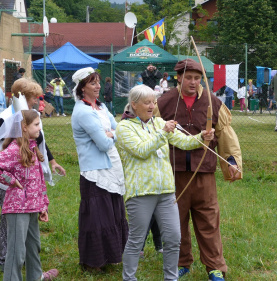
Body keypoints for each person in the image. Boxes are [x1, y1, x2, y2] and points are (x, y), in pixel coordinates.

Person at [153, 58, 243, 281]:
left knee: (208, 221)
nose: (193, 82)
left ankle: (214, 267)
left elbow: (226, 136)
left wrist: (232, 161)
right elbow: (152, 134)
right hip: (173, 173)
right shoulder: (164, 102)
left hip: (204, 174)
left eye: (197, 78)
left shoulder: (213, 102)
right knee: (176, 221)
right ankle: (181, 262)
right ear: (179, 77)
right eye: (188, 77)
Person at [115, 84, 215, 281]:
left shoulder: (159, 122)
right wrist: (162, 133)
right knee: (136, 239)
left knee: (173, 238)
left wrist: (202, 137)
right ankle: (129, 278)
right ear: (134, 105)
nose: (152, 106)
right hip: (140, 192)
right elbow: (141, 150)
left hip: (166, 191)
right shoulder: (124, 127)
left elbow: (184, 142)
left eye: (153, 102)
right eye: (147, 102)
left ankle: (171, 278)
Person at [0, 78, 66, 271]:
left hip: (30, 188)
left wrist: (51, 161)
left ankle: (30, 268)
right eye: (32, 98)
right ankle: (7, 262)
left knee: (28, 234)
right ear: (22, 96)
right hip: (11, 183)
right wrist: (8, 178)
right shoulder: (5, 118)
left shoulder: (32, 117)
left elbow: (39, 143)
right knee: (10, 228)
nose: (36, 102)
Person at [71, 67, 128, 271]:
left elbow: (118, 128)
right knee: (98, 217)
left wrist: (110, 133)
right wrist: (110, 135)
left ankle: (111, 256)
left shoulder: (101, 107)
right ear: (82, 88)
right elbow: (103, 144)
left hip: (111, 165)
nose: (97, 86)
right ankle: (94, 261)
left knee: (112, 213)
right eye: (92, 83)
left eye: (97, 82)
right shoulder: (83, 111)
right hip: (94, 171)